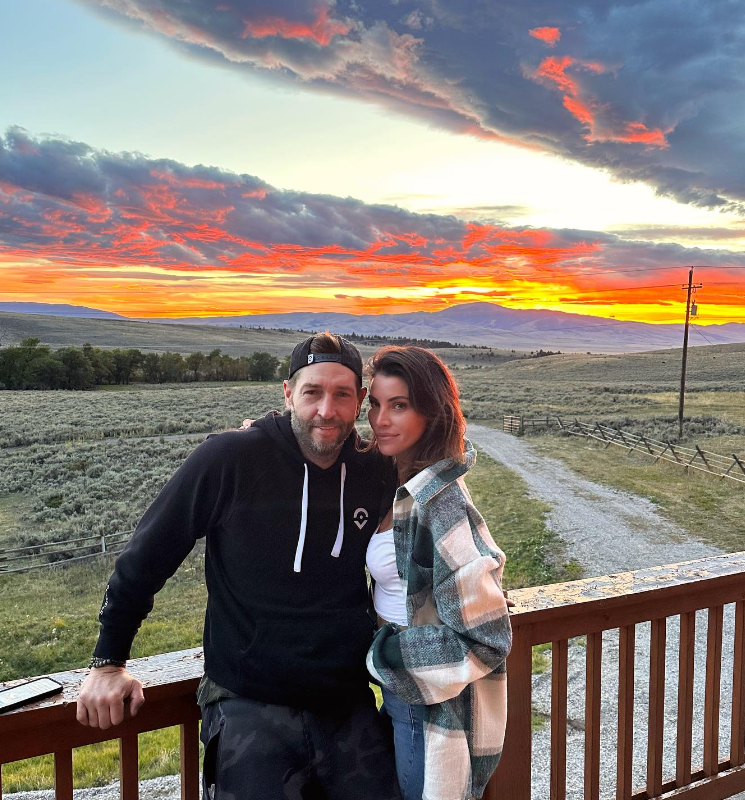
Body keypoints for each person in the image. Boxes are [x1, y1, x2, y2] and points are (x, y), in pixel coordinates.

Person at [76, 332, 402, 800]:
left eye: (342, 394)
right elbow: (145, 558)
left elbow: (424, 524)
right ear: (289, 393)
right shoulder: (228, 459)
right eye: (312, 392)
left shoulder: (376, 470)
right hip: (248, 703)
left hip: (346, 703)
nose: (326, 410)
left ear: (360, 401)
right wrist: (108, 663)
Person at [364, 346, 511, 800]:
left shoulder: (438, 502)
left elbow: (487, 637)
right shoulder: (400, 483)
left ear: (432, 413)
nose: (379, 419)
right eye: (374, 403)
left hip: (428, 706)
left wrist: (384, 651)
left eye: (399, 406)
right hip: (406, 696)